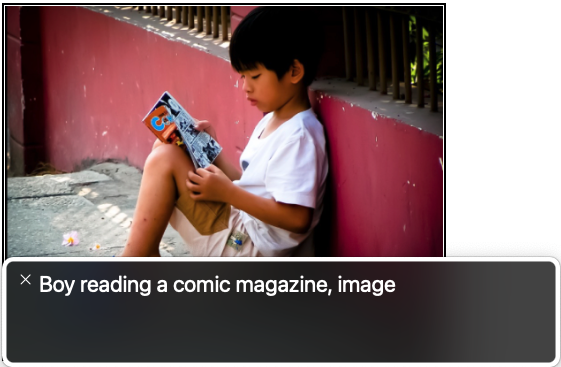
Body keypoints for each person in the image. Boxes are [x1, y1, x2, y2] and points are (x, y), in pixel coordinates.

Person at [121, 6, 327, 257]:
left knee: (164, 160)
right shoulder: (273, 120)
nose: (245, 88)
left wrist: (227, 193)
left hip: (253, 249)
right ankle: (142, 255)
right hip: (247, 231)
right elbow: (254, 189)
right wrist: (213, 152)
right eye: (242, 77)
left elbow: (297, 218)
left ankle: (135, 261)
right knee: (168, 147)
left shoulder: (299, 136)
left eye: (255, 76)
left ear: (294, 71)